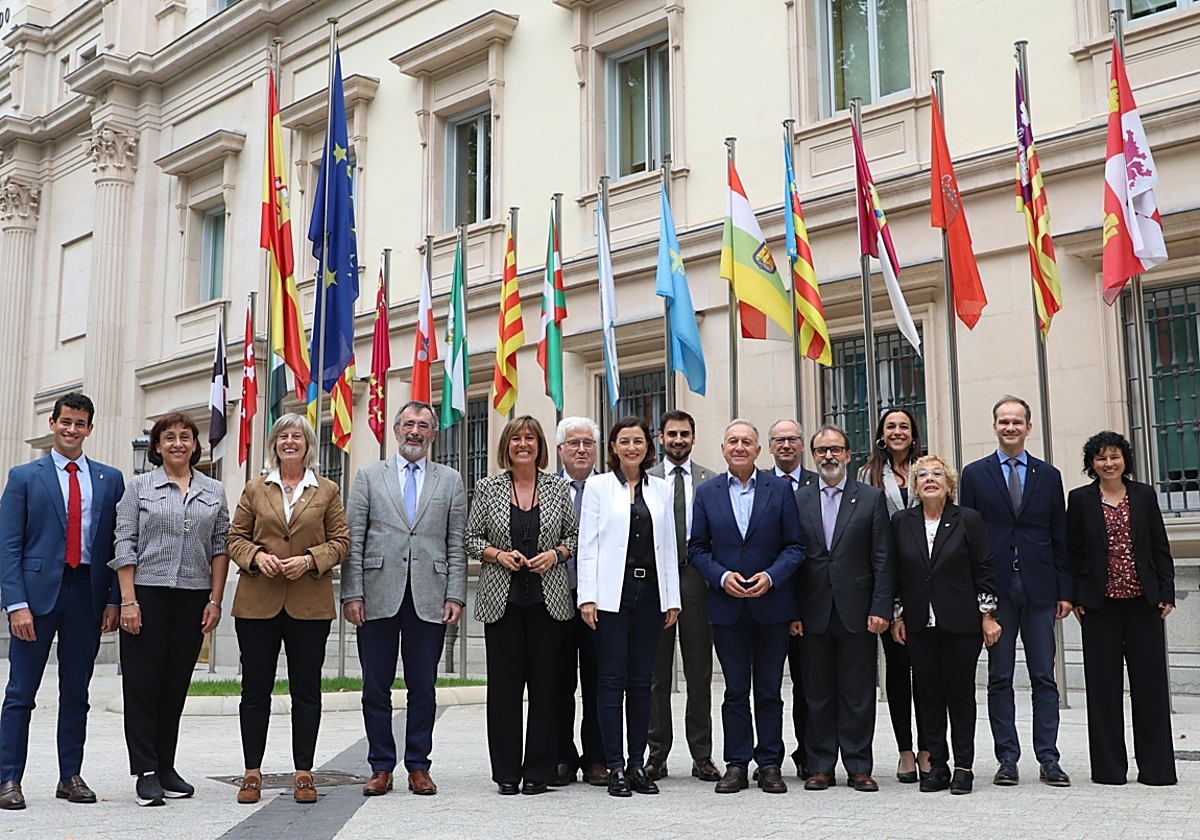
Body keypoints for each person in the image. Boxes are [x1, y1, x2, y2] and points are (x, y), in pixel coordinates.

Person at [0, 393, 124, 811]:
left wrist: (113, 600)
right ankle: (9, 779)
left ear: (90, 428)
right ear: (53, 423)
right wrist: (16, 604)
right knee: (21, 692)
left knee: (77, 691)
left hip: (86, 594)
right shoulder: (23, 477)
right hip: (35, 599)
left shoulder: (110, 479)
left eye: (80, 423)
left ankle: (70, 775)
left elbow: (115, 544)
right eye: (65, 421)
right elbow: (8, 546)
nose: (72, 429)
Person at [341, 401, 467, 797]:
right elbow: (354, 539)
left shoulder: (450, 480)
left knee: (423, 687)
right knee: (375, 687)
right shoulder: (367, 476)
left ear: (433, 433)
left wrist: (456, 595)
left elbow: (457, 543)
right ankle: (381, 765)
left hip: (430, 596)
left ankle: (418, 765)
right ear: (395, 430)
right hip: (377, 595)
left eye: (424, 426)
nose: (415, 431)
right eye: (409, 424)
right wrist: (352, 593)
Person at [225, 414, 351, 804]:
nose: (290, 441)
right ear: (275, 444)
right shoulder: (254, 488)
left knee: (307, 690)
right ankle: (251, 773)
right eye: (283, 435)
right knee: (255, 690)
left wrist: (311, 560)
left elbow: (342, 541)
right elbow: (234, 538)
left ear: (308, 444)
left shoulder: (327, 490)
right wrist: (256, 556)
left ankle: (304, 772)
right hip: (258, 601)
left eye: (297, 435)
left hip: (308, 604)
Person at [112, 412, 230, 807]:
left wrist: (215, 599)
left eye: (185, 437)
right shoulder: (138, 487)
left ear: (196, 445)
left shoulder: (214, 490)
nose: (177, 443)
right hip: (147, 594)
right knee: (143, 686)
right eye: (169, 437)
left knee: (175, 686)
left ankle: (165, 767)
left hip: (193, 598)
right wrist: (128, 600)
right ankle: (144, 771)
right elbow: (124, 542)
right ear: (157, 446)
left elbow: (220, 546)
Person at [959, 396, 1072, 787]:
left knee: (1044, 676)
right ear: (994, 427)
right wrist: (979, 598)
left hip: (1041, 588)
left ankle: (1049, 758)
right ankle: (1007, 757)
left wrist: (1065, 590)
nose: (1010, 427)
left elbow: (1060, 536)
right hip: (996, 589)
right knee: (999, 676)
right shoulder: (974, 475)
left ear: (1028, 427)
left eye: (1017, 421)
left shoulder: (1049, 475)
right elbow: (967, 539)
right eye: (1003, 421)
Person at [690, 419, 805, 794]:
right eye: (733, 441)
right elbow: (697, 549)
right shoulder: (706, 493)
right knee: (735, 690)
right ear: (723, 449)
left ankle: (770, 763)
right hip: (727, 607)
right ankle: (736, 764)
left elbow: (795, 546)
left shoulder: (779, 490)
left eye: (748, 442)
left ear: (759, 451)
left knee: (769, 689)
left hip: (771, 605)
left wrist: (770, 577)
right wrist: (722, 578)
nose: (740, 447)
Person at [467, 416, 577, 796]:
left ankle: (538, 773)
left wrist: (557, 554)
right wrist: (497, 554)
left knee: (546, 689)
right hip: (503, 603)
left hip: (549, 603)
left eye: (530, 437)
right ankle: (507, 774)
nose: (523, 444)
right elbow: (470, 538)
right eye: (516, 438)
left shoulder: (557, 488)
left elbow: (575, 536)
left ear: (540, 445)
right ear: (507, 446)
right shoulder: (488, 487)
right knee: (504, 691)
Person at [578, 416, 681, 797]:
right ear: (614, 448)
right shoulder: (598, 487)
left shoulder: (661, 489)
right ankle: (614, 765)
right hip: (610, 594)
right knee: (611, 680)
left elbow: (668, 544)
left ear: (647, 446)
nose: (632, 448)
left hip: (650, 594)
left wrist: (673, 598)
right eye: (624, 441)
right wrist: (587, 596)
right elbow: (587, 545)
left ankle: (638, 764)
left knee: (642, 683)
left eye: (638, 441)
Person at [1067, 431, 1176, 786]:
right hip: (1100, 608)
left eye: (1114, 456)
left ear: (1125, 460)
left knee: (1150, 687)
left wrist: (1167, 591)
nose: (1108, 463)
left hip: (1144, 604)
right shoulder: (1080, 499)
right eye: (1100, 458)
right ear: (1091, 464)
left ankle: (1156, 769)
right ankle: (1110, 770)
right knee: (1103, 688)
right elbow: (1073, 552)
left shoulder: (1143, 495)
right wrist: (1077, 596)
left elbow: (1160, 546)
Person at [891, 455, 1000, 795]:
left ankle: (964, 767)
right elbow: (895, 573)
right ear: (915, 486)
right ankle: (937, 765)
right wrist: (897, 614)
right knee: (928, 695)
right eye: (922, 475)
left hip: (961, 622)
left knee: (960, 694)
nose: (930, 479)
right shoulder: (901, 521)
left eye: (937, 473)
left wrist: (988, 615)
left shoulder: (968, 519)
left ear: (949, 484)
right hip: (920, 623)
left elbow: (983, 568)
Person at [792, 424, 892, 793]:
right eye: (821, 451)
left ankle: (858, 766)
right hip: (812, 610)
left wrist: (881, 607)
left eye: (835, 449)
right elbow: (792, 558)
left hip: (858, 610)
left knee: (858, 693)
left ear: (849, 455)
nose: (828, 456)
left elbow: (883, 558)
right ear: (813, 456)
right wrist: (793, 612)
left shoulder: (870, 498)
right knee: (816, 694)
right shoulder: (800, 499)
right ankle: (820, 766)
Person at [646, 410, 720, 783]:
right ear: (661, 438)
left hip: (696, 578)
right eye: (672, 434)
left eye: (684, 434)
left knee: (699, 672)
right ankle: (656, 754)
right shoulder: (646, 480)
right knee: (657, 673)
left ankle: (702, 755)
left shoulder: (710, 481)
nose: (678, 440)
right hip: (657, 581)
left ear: (693, 437)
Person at [856, 407, 928, 782]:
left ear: (913, 432)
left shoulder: (930, 468)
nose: (897, 432)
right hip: (887, 583)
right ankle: (904, 750)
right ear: (881, 435)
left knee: (930, 673)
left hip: (929, 585)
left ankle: (930, 748)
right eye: (891, 426)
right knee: (898, 673)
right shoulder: (866, 476)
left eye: (904, 426)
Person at [552, 416, 606, 787]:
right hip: (556, 599)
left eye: (588, 442)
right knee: (557, 682)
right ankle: (562, 756)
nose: (582, 449)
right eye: (574, 443)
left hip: (600, 602)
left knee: (599, 681)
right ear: (560, 450)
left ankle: (597, 758)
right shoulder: (548, 489)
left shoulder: (610, 489)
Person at [767, 418, 817, 779]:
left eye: (792, 439)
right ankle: (768, 756)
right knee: (767, 685)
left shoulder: (822, 483)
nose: (786, 445)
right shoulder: (761, 486)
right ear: (769, 447)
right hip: (767, 599)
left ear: (802, 446)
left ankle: (809, 753)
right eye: (779, 440)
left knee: (808, 684)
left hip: (813, 602)